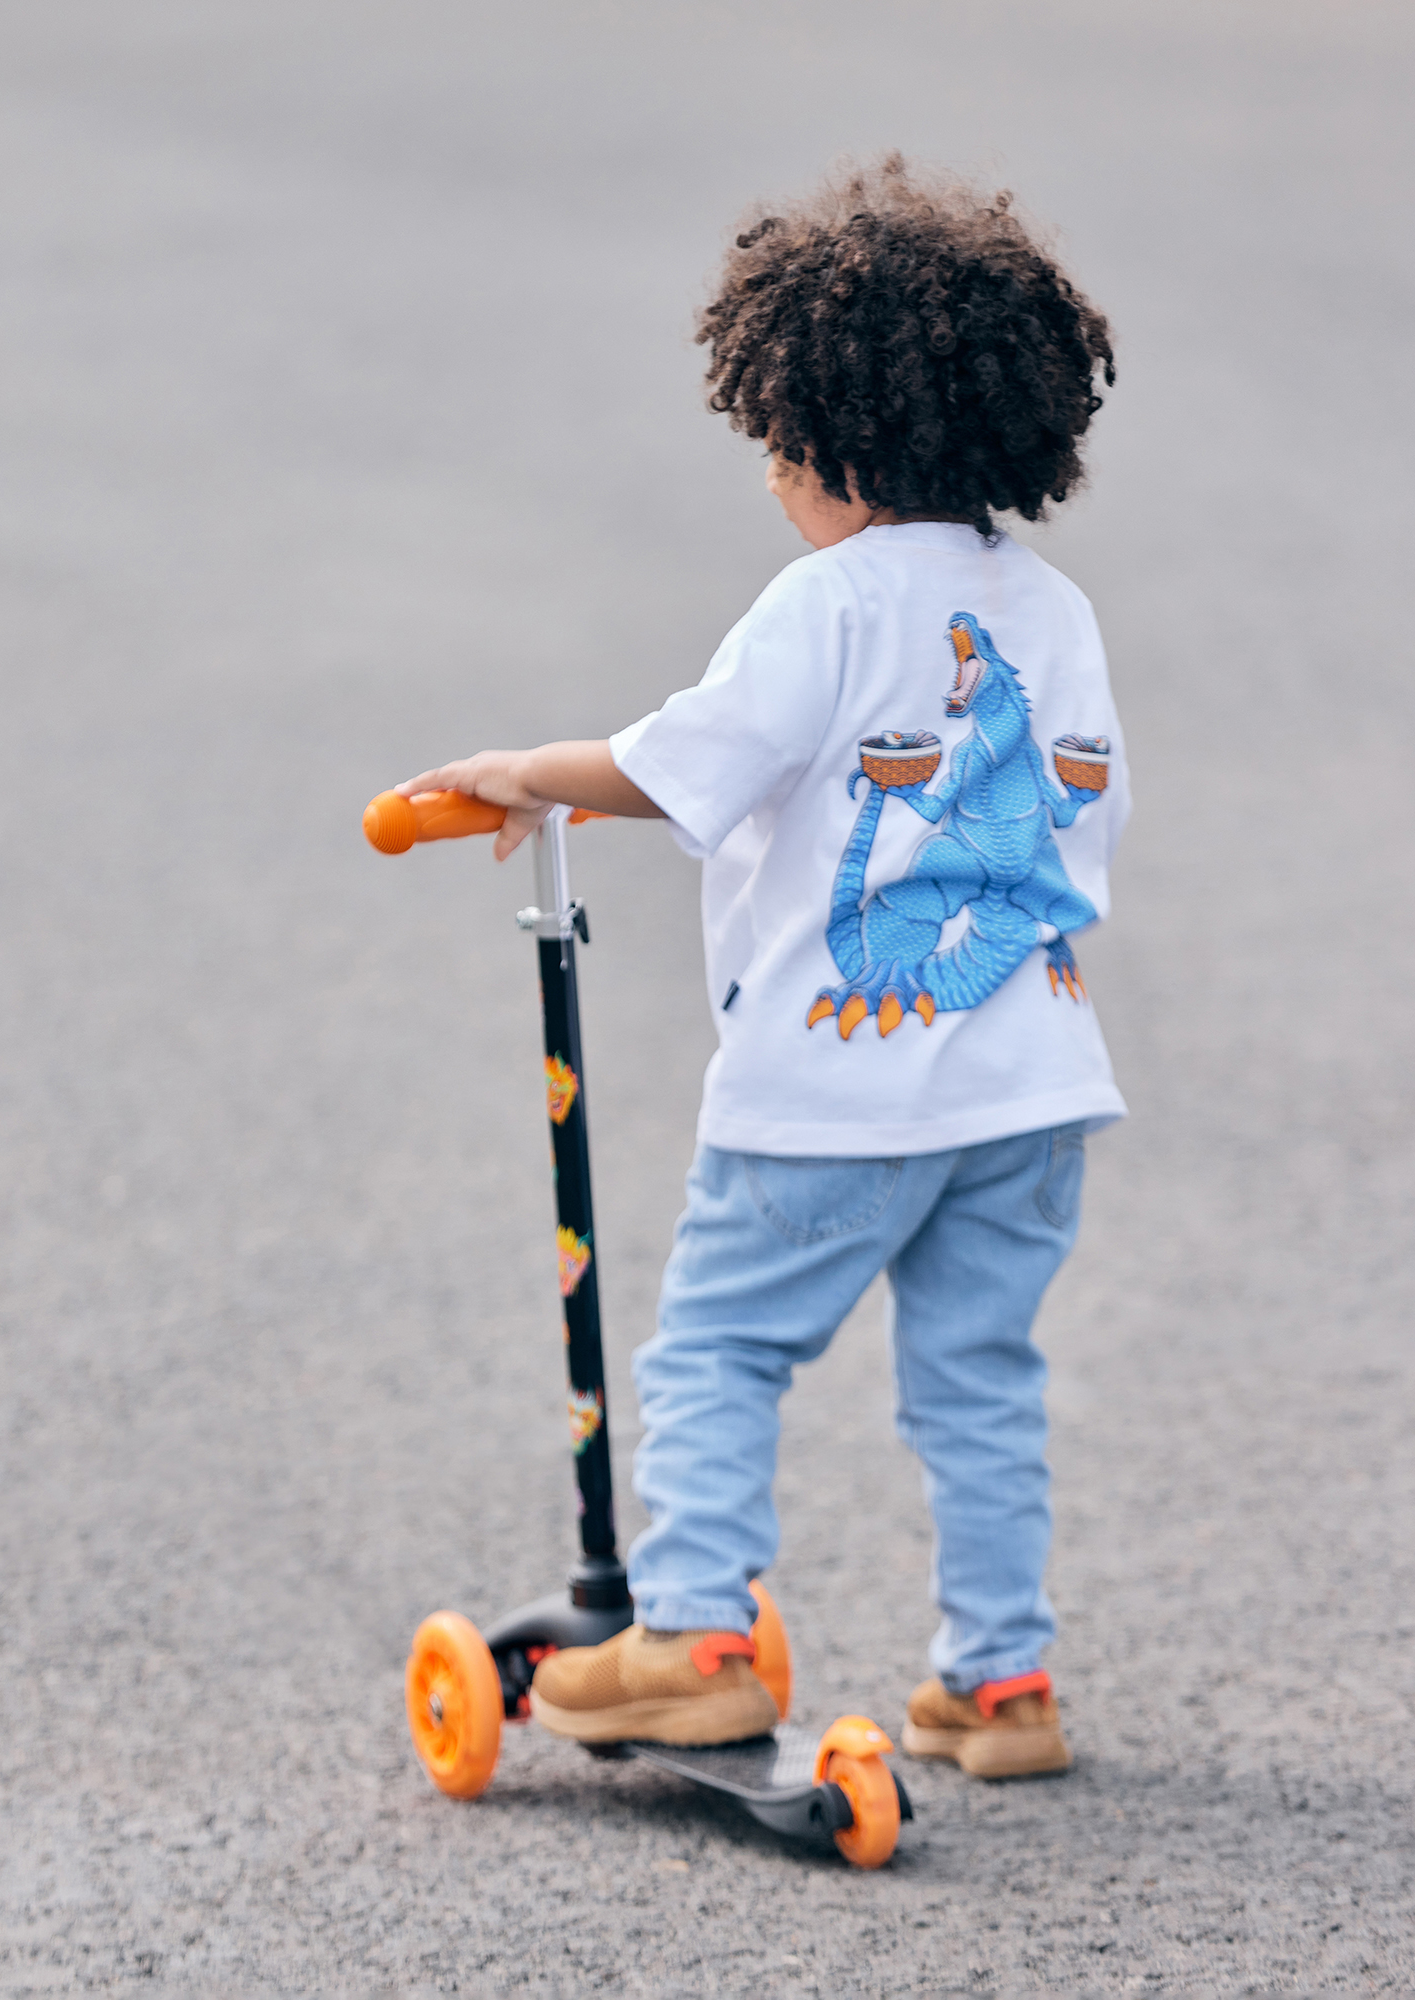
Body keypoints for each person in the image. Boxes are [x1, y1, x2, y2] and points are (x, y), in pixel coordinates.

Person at [396, 156, 1127, 1780]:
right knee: (980, 1378)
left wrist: (528, 769)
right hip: (1029, 1087)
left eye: (783, 450)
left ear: (840, 449)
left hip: (832, 1092)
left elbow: (684, 762)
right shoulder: (1053, 610)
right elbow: (1083, 823)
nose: (778, 483)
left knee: (719, 1348)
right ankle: (1001, 1685)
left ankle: (698, 1637)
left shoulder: (830, 601)